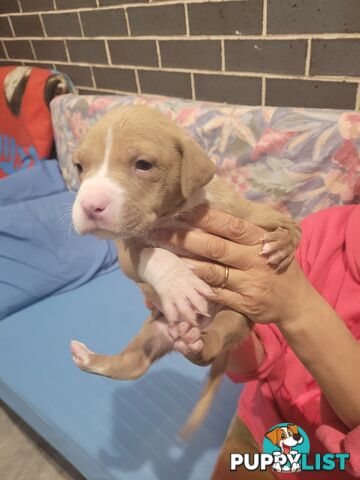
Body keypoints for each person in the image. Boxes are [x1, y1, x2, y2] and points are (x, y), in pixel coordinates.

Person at [150, 205, 360, 479]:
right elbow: (258, 360)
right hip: (262, 431)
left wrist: (297, 306)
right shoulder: (328, 229)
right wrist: (215, 328)